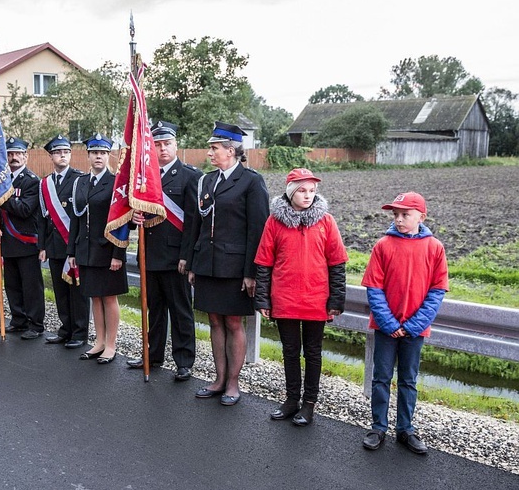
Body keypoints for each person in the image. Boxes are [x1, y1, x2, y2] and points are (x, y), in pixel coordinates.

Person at [253, 168, 348, 426]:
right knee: (290, 351)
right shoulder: (274, 222)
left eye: (312, 191)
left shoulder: (326, 221)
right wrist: (263, 299)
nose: (308, 195)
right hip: (285, 298)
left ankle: (309, 404)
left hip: (316, 299)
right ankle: (291, 399)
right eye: (302, 190)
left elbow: (337, 263)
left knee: (313, 353)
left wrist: (336, 300)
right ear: (291, 192)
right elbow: (264, 263)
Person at [187, 121, 269, 406]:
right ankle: (219, 379)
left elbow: (257, 230)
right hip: (208, 264)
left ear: (231, 150)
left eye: (215, 148)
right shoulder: (207, 181)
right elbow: (197, 224)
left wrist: (251, 272)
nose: (210, 153)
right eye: (211, 148)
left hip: (235, 268)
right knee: (213, 320)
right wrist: (194, 263)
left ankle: (233, 383)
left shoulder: (251, 181)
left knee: (234, 322)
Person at [361, 192, 448, 454]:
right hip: (386, 328)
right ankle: (378, 427)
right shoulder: (383, 246)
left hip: (414, 330)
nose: (399, 220)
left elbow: (436, 291)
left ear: (422, 216)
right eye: (395, 215)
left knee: (408, 380)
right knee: (381, 377)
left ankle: (405, 429)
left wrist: (412, 325)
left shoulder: (434, 248)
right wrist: (389, 323)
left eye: (405, 215)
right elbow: (374, 288)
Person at [127, 121, 201, 381]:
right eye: (157, 145)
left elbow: (192, 222)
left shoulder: (191, 176)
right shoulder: (144, 177)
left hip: (175, 257)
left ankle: (183, 361)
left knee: (181, 310)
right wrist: (133, 217)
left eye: (167, 143)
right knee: (154, 311)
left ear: (176, 144)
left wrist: (186, 256)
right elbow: (132, 209)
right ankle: (153, 355)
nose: (162, 149)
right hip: (149, 254)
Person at [68, 133, 127, 364]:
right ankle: (99, 342)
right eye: (94, 153)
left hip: (107, 250)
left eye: (102, 153)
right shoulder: (80, 183)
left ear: (108, 155)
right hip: (86, 250)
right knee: (94, 297)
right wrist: (72, 251)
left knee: (109, 298)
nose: (98, 157)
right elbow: (76, 218)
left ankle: (111, 345)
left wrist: (118, 254)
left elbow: (122, 220)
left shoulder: (115, 183)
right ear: (88, 155)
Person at [39, 135, 90, 349]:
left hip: (74, 245)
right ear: (51, 156)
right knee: (60, 290)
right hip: (54, 245)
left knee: (77, 291)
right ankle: (65, 329)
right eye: (58, 152)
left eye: (66, 152)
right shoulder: (45, 183)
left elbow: (82, 217)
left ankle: (80, 333)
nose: (63, 155)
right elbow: (42, 219)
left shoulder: (79, 180)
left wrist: (77, 247)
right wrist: (42, 246)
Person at [0, 136, 45, 339]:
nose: (14, 158)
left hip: (26, 241)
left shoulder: (31, 181)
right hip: (7, 241)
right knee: (12, 284)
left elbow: (24, 209)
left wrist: (3, 197)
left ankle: (35, 324)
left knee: (31, 286)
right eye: (10, 154)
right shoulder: (2, 180)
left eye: (18, 154)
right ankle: (18, 320)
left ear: (26, 156)